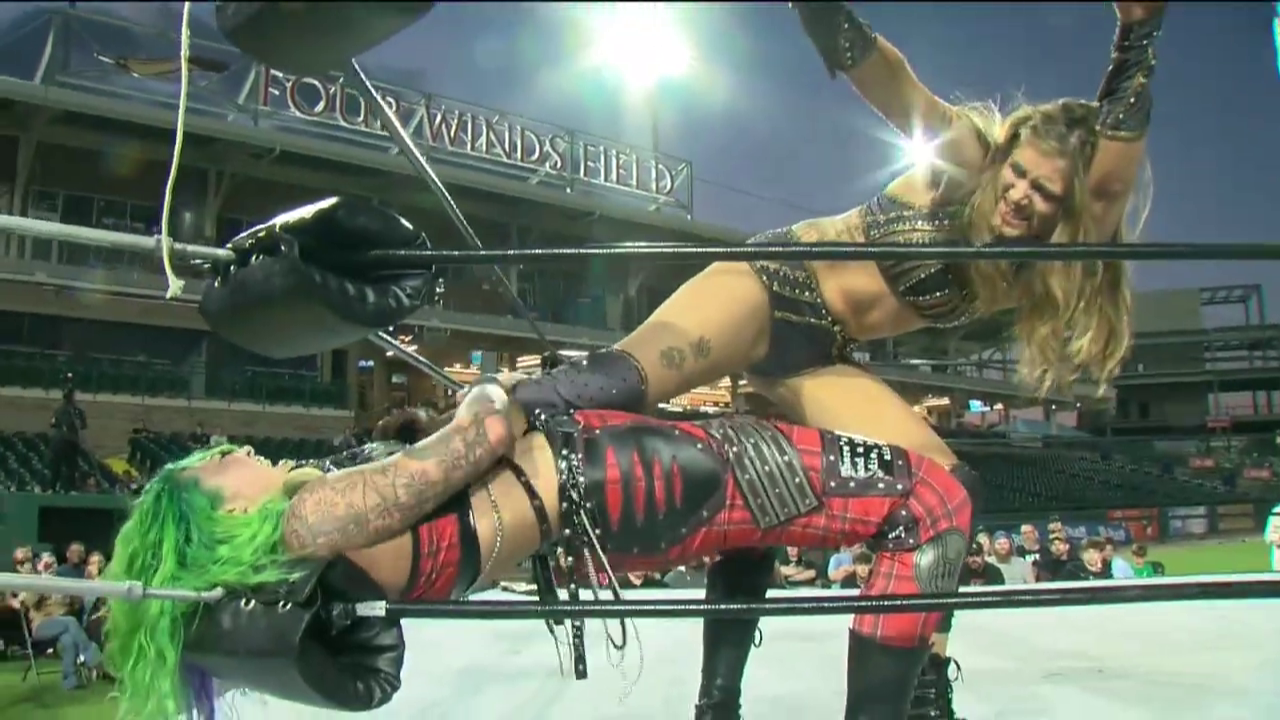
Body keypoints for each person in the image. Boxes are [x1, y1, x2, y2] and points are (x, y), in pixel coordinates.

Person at [495, 3, 1162, 717]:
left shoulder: (1040, 259)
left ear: (1067, 206)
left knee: (945, 491)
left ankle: (903, 691)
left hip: (819, 357)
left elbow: (1108, 181)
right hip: (770, 285)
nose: (1021, 195)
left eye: (1044, 191)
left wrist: (1140, 36)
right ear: (1005, 157)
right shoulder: (968, 160)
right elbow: (892, 83)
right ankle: (460, 456)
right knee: (611, 385)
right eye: (1019, 173)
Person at [103, 380, 975, 718]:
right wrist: (496, 390)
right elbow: (481, 437)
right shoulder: (310, 517)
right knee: (933, 500)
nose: (236, 450)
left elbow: (445, 477)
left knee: (767, 525)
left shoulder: (315, 536)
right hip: (622, 477)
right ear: (218, 512)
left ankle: (719, 710)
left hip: (610, 492)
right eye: (218, 462)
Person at [48, 387, 87, 492]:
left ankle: (58, 488)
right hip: (67, 441)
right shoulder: (65, 410)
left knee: (65, 466)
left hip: (66, 441)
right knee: (67, 466)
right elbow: (83, 425)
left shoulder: (65, 410)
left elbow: (53, 423)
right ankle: (61, 488)